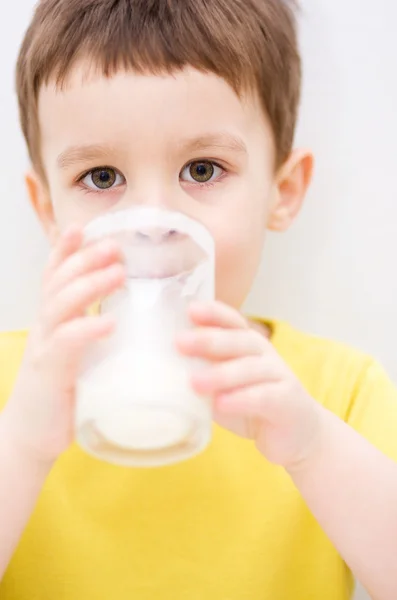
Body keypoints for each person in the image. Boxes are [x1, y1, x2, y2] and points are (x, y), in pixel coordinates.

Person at [0, 0, 396, 598]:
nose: (152, 224)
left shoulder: (338, 393)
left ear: (281, 192)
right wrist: (23, 441)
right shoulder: (12, 386)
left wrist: (312, 448)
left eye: (203, 169)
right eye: (102, 177)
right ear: (50, 211)